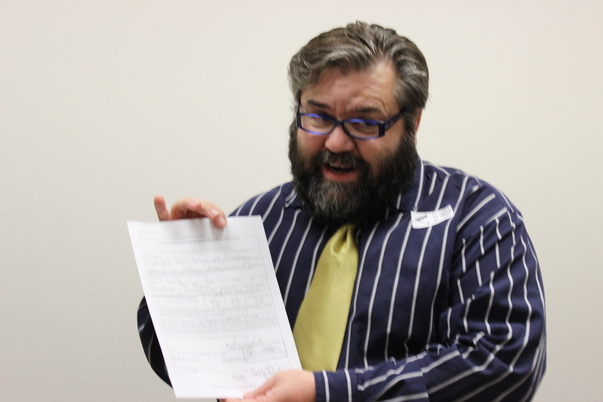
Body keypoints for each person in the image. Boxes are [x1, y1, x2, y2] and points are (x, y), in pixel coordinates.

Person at [137, 21, 546, 401]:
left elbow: (504, 362)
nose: (335, 143)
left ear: (413, 124)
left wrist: (326, 393)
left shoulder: (476, 218)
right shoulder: (258, 218)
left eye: (364, 123)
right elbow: (181, 360)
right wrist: (183, 273)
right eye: (317, 117)